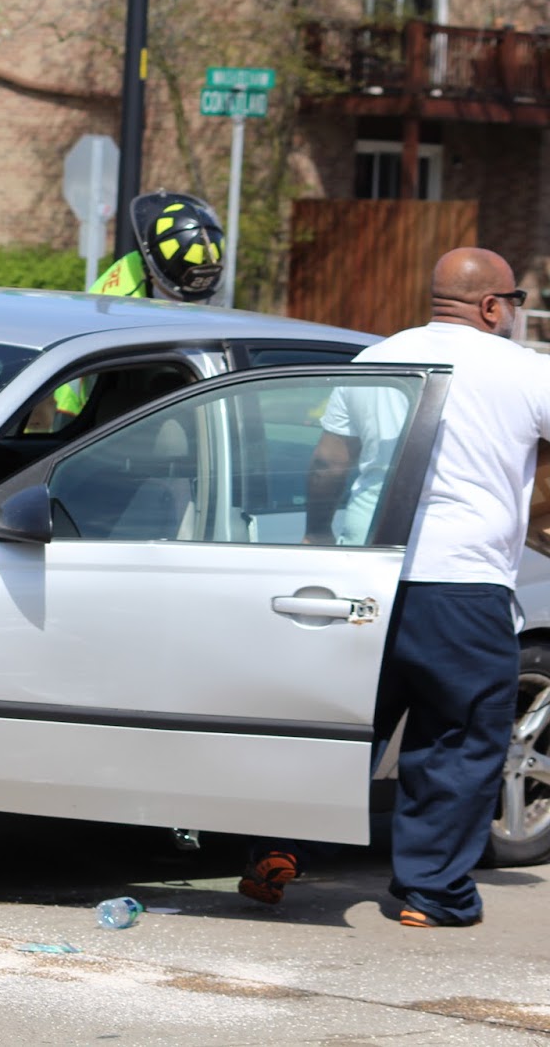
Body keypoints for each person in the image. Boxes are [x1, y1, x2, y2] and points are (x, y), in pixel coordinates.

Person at [241, 247, 550, 928]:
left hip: (366, 575)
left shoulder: (377, 361)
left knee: (339, 725)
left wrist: (320, 536)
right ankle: (430, 895)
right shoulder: (530, 373)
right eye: (518, 303)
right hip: (463, 587)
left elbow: (328, 462)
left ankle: (276, 850)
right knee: (458, 736)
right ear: (494, 306)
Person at [90, 191, 225, 302]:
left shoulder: (148, 266)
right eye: (174, 298)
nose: (194, 304)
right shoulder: (122, 304)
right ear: (151, 272)